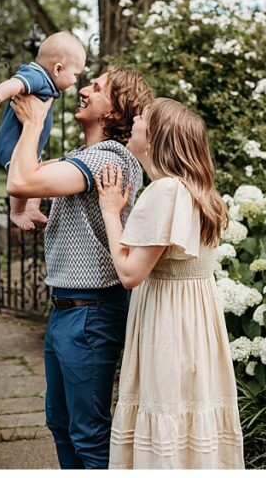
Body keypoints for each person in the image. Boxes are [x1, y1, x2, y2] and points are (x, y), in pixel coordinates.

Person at [7, 66, 153, 469]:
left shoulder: (110, 160)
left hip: (91, 314)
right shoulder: (86, 158)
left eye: (97, 88)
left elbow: (19, 182)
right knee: (61, 423)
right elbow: (27, 186)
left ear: (113, 111)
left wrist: (35, 120)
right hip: (67, 312)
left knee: (88, 434)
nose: (84, 90)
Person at [95, 98, 244, 468]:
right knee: (188, 425)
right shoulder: (195, 189)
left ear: (157, 136)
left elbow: (130, 274)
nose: (134, 122)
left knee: (167, 414)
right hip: (195, 324)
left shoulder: (165, 191)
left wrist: (110, 212)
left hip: (170, 326)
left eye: (142, 118)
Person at [0, 31, 86, 230]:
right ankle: (18, 211)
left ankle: (31, 208)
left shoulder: (47, 82)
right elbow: (14, 84)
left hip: (27, 145)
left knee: (35, 173)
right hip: (13, 143)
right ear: (58, 68)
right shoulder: (36, 76)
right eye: (75, 74)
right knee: (23, 180)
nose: (75, 81)